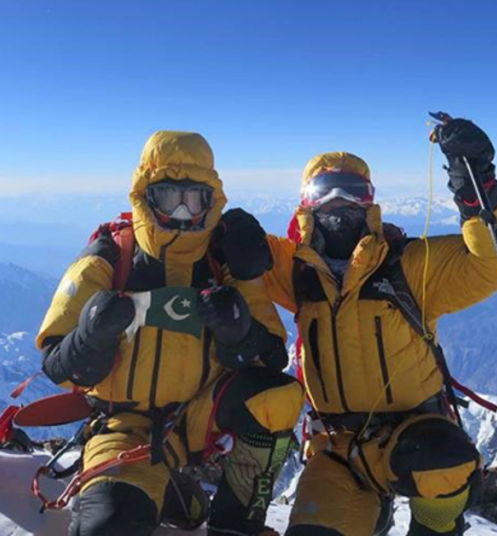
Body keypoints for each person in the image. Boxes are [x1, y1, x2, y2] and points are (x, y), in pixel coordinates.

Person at [220, 118, 497, 535]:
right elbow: (218, 248)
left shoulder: (406, 265)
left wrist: (475, 186)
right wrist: (233, 231)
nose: (338, 203)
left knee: (444, 458)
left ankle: (434, 526)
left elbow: (496, 264)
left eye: (353, 192)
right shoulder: (295, 268)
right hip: (336, 449)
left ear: (370, 203)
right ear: (305, 206)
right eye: (323, 192)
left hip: (415, 436)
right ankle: (371, 512)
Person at [36, 131, 304, 536]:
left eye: (193, 199)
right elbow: (57, 364)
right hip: (124, 425)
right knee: (108, 525)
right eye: (168, 197)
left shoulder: (222, 262)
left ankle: (234, 525)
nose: (181, 211)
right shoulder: (108, 260)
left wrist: (240, 332)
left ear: (210, 201)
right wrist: (91, 335)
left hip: (196, 414)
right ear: (146, 196)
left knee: (278, 396)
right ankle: (163, 489)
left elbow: (272, 359)